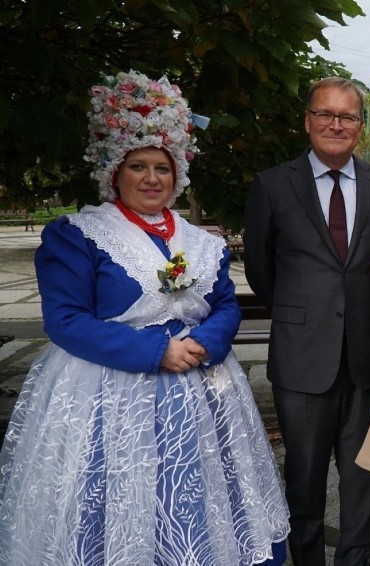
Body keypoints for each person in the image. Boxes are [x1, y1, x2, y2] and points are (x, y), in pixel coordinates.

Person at [0, 70, 290, 565]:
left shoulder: (201, 241)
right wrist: (157, 351)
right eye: (138, 166)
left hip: (202, 386)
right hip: (109, 392)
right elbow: (66, 320)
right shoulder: (79, 235)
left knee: (199, 490)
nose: (152, 178)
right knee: (117, 493)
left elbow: (223, 303)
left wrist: (207, 343)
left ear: (177, 174)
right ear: (115, 172)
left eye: (162, 167)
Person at [243, 77, 370, 566]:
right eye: (326, 114)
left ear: (360, 127)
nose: (336, 124)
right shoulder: (272, 185)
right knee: (305, 480)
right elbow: (261, 270)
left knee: (362, 479)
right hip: (302, 358)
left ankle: (352, 561)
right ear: (308, 120)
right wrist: (303, 315)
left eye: (347, 117)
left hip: (366, 361)